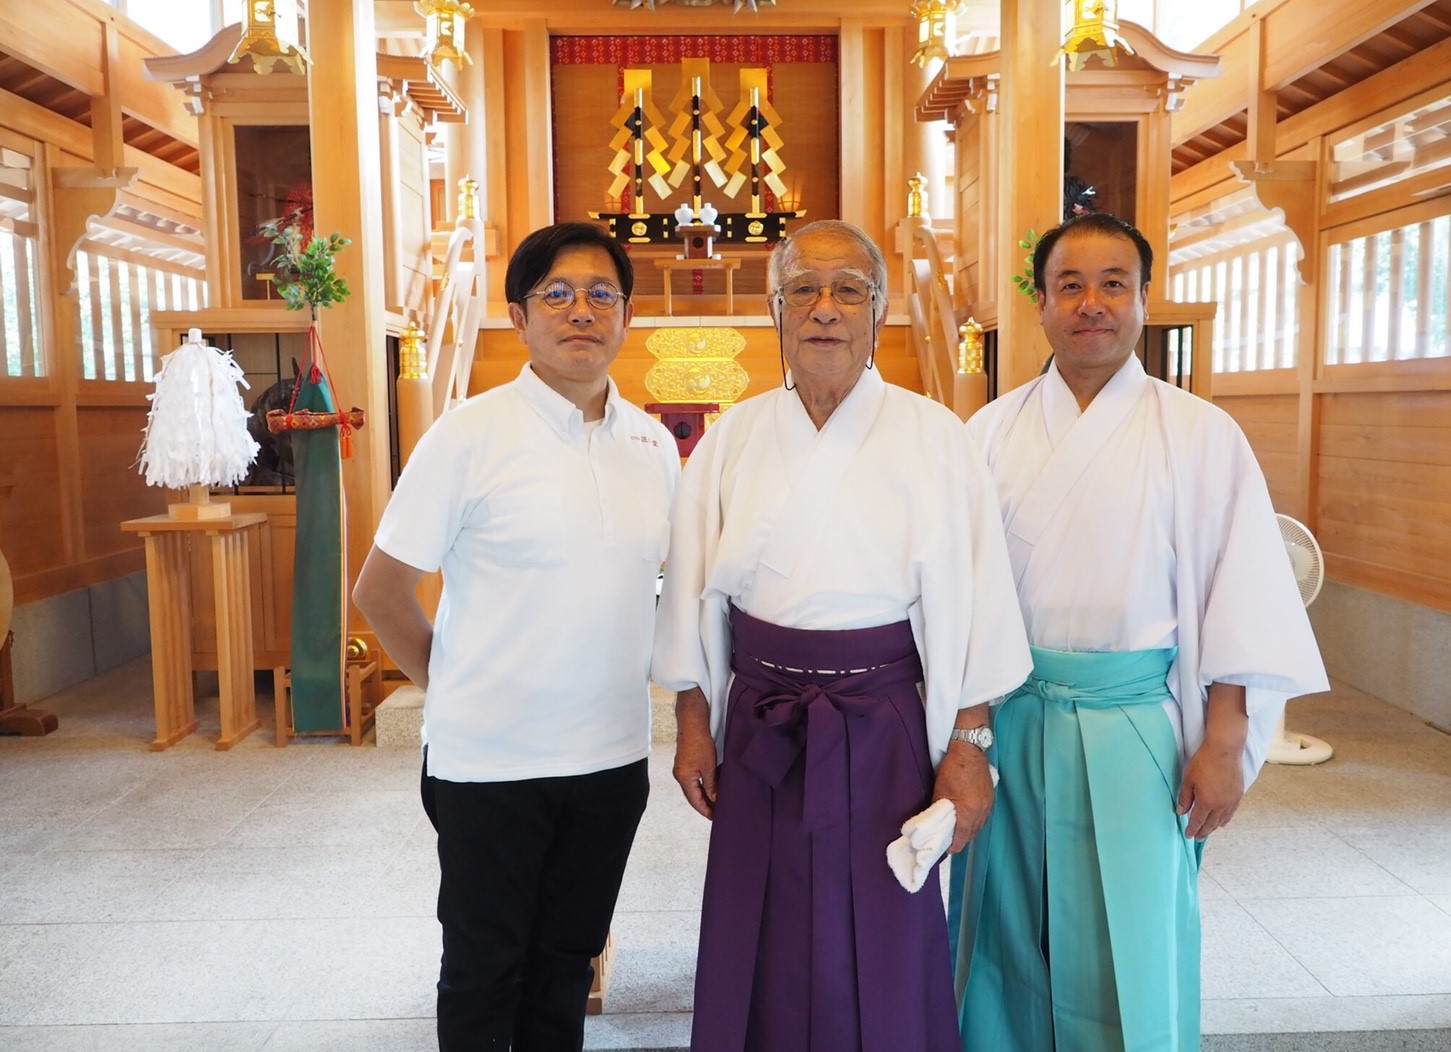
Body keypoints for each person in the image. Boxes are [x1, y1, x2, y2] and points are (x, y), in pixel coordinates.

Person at [950, 211, 1329, 1051]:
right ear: (1040, 304)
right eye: (1070, 285)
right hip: (1011, 719)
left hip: (1134, 722)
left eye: (1114, 284)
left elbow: (1244, 598)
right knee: (1004, 934)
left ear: (1144, 302)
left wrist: (1224, 740)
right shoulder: (987, 435)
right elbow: (958, 596)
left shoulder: (1201, 435)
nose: (1093, 304)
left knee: (1131, 935)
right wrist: (965, 735)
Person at [652, 219, 1032, 1051]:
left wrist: (969, 747)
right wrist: (691, 726)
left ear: (880, 311)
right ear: (774, 311)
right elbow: (688, 597)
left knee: (884, 924)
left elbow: (980, 606)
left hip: (883, 720)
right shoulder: (732, 442)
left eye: (848, 290)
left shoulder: (937, 438)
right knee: (764, 919)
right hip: (760, 723)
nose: (825, 309)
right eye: (803, 291)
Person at [353, 222, 680, 1052]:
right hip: (490, 765)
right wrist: (456, 688)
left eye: (602, 295)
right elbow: (381, 591)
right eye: (558, 295)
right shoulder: (470, 435)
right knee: (483, 969)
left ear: (627, 316)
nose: (582, 312)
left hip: (609, 761)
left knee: (566, 965)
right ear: (518, 318)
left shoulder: (653, 446)